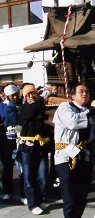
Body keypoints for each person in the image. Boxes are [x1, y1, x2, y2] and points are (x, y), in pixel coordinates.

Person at [53, 83, 95, 218]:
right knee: (69, 196)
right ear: (73, 95)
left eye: (87, 91)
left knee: (81, 195)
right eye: (81, 91)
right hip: (65, 156)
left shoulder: (91, 113)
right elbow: (72, 122)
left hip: (83, 156)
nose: (85, 93)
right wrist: (91, 110)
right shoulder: (65, 107)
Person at [18, 83, 50, 215]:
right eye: (28, 94)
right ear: (25, 97)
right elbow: (31, 111)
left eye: (33, 93)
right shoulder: (23, 109)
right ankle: (32, 204)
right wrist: (41, 99)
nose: (31, 96)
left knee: (42, 176)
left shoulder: (41, 108)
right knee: (29, 177)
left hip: (41, 146)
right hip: (28, 148)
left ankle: (40, 198)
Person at [1, 84, 26, 203]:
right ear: (7, 96)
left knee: (22, 166)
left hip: (21, 138)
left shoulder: (21, 105)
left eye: (16, 94)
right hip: (8, 139)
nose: (15, 97)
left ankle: (24, 193)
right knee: (8, 165)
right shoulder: (5, 106)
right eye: (13, 96)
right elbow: (13, 121)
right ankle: (8, 190)